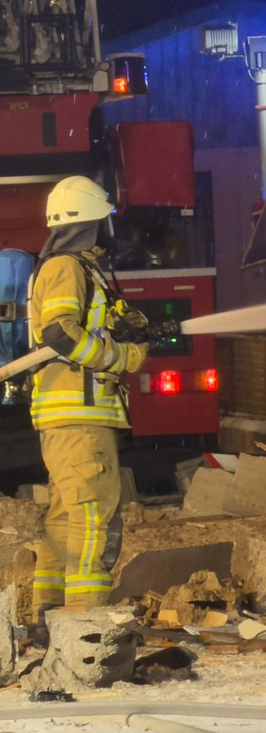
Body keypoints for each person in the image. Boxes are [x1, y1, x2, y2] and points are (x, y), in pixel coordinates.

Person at [29, 176, 148, 619]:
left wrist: (127, 324)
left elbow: (80, 325)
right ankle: (85, 619)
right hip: (79, 417)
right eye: (106, 219)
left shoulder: (77, 267)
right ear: (90, 220)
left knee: (65, 517)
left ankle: (49, 615)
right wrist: (117, 357)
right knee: (93, 517)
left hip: (69, 419)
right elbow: (60, 332)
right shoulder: (66, 268)